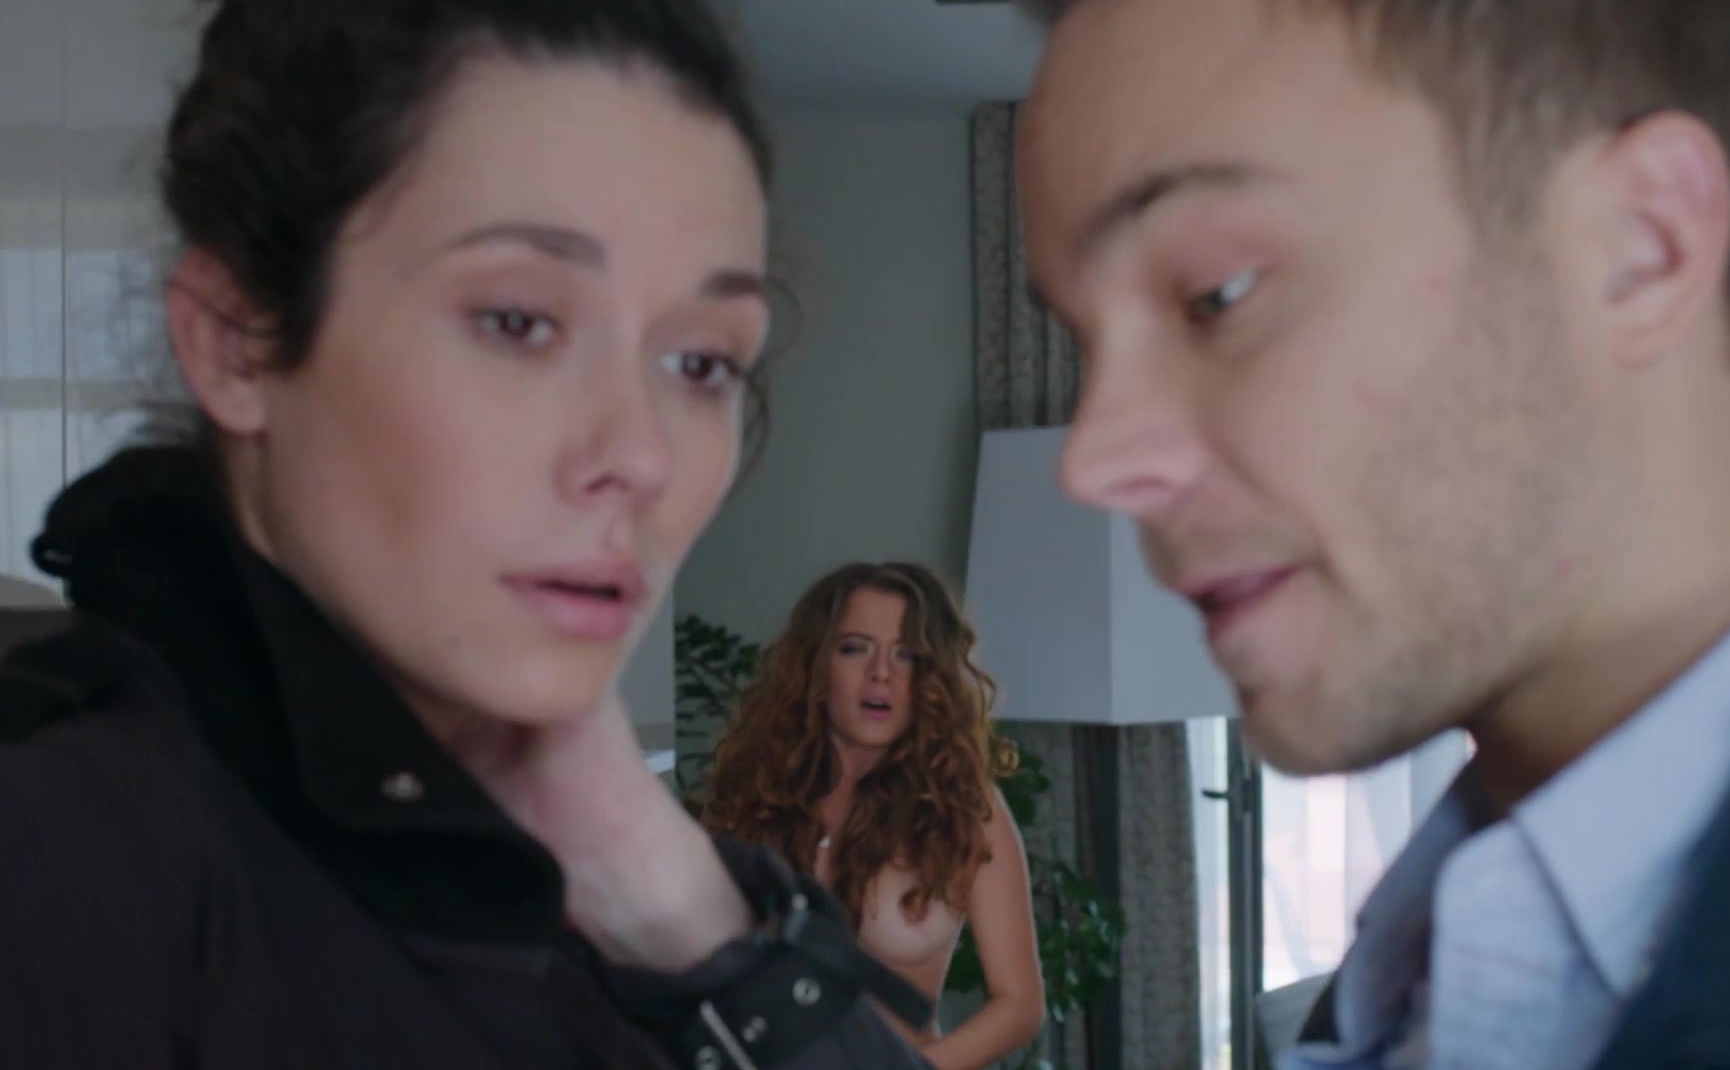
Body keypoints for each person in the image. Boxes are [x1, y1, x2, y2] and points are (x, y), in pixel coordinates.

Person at [0, 1, 933, 1066]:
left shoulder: (595, 883)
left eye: (702, 363)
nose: (643, 454)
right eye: (518, 322)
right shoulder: (66, 874)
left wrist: (678, 909)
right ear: (235, 343)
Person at [1015, 0, 1730, 1067]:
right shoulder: (1430, 964)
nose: (1091, 462)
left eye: (1217, 294)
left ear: (1640, 246)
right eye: (1085, 340)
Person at [703, 563, 1046, 1070]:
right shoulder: (753, 796)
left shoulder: (966, 808)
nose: (881, 672)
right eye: (854, 648)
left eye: (906, 654)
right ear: (816, 667)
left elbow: (1020, 1006)